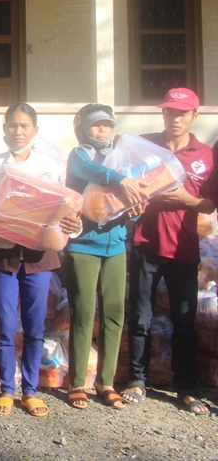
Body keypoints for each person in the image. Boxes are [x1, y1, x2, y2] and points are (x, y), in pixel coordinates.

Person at [0, 103, 81, 417]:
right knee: (5, 324)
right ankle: (7, 388)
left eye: (24, 126)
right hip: (3, 254)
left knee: (34, 325)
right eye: (12, 126)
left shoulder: (51, 166)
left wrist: (75, 224)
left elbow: (65, 211)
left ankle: (30, 390)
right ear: (4, 128)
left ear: (35, 129)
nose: (18, 132)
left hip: (39, 256)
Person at [124, 88, 215, 414]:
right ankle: (137, 380)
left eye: (181, 113)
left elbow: (210, 202)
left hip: (184, 248)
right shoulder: (143, 144)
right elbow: (121, 184)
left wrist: (185, 201)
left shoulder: (206, 154)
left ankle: (186, 388)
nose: (174, 119)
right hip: (144, 244)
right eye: (169, 112)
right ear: (162, 114)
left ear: (194, 116)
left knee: (185, 320)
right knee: (140, 317)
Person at [63, 103, 147, 410]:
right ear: (82, 129)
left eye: (107, 125)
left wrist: (137, 207)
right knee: (84, 313)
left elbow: (130, 201)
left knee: (114, 314)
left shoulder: (123, 161)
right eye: (96, 125)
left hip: (116, 246)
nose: (103, 130)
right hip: (83, 244)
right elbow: (91, 173)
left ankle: (106, 381)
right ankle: (76, 382)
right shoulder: (80, 156)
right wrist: (121, 179)